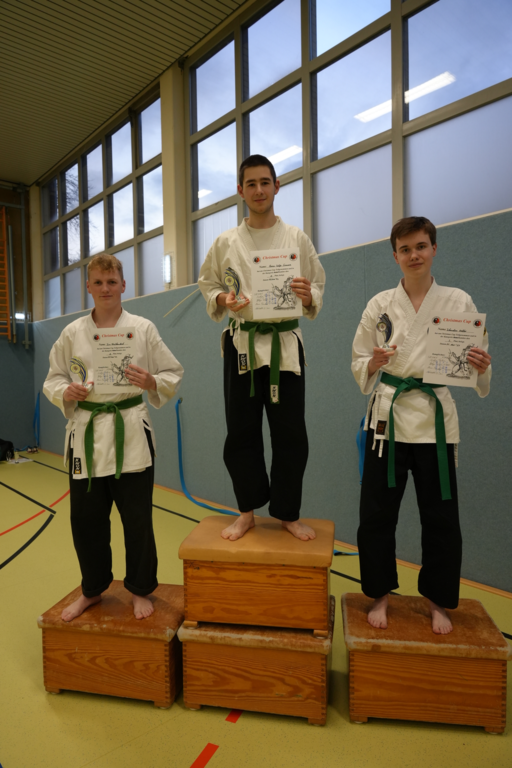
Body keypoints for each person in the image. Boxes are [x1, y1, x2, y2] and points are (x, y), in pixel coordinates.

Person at [351, 217, 491, 634]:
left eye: (421, 246)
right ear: (395, 255)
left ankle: (438, 599)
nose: (414, 255)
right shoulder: (379, 304)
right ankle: (379, 593)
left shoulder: (458, 301)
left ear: (434, 249)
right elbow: (358, 359)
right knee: (376, 514)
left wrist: (481, 366)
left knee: (441, 518)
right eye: (405, 249)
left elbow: (477, 363)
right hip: (387, 419)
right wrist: (372, 363)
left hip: (435, 421)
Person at [43, 254, 183, 621]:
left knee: (137, 519)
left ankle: (140, 588)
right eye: (98, 282)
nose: (105, 288)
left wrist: (151, 381)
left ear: (123, 285)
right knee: (85, 520)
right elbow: (53, 378)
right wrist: (65, 392)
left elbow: (172, 371)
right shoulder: (72, 333)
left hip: (130, 430)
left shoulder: (142, 328)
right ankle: (92, 589)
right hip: (86, 433)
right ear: (88, 287)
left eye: (111, 281)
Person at [198, 154, 325, 542]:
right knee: (241, 432)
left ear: (276, 186)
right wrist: (223, 299)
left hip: (285, 346)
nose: (258, 190)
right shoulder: (225, 242)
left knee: (291, 435)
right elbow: (208, 283)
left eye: (264, 182)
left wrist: (308, 295)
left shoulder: (296, 239)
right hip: (242, 344)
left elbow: (317, 284)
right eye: (250, 184)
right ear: (240, 190)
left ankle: (288, 513)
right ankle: (246, 512)